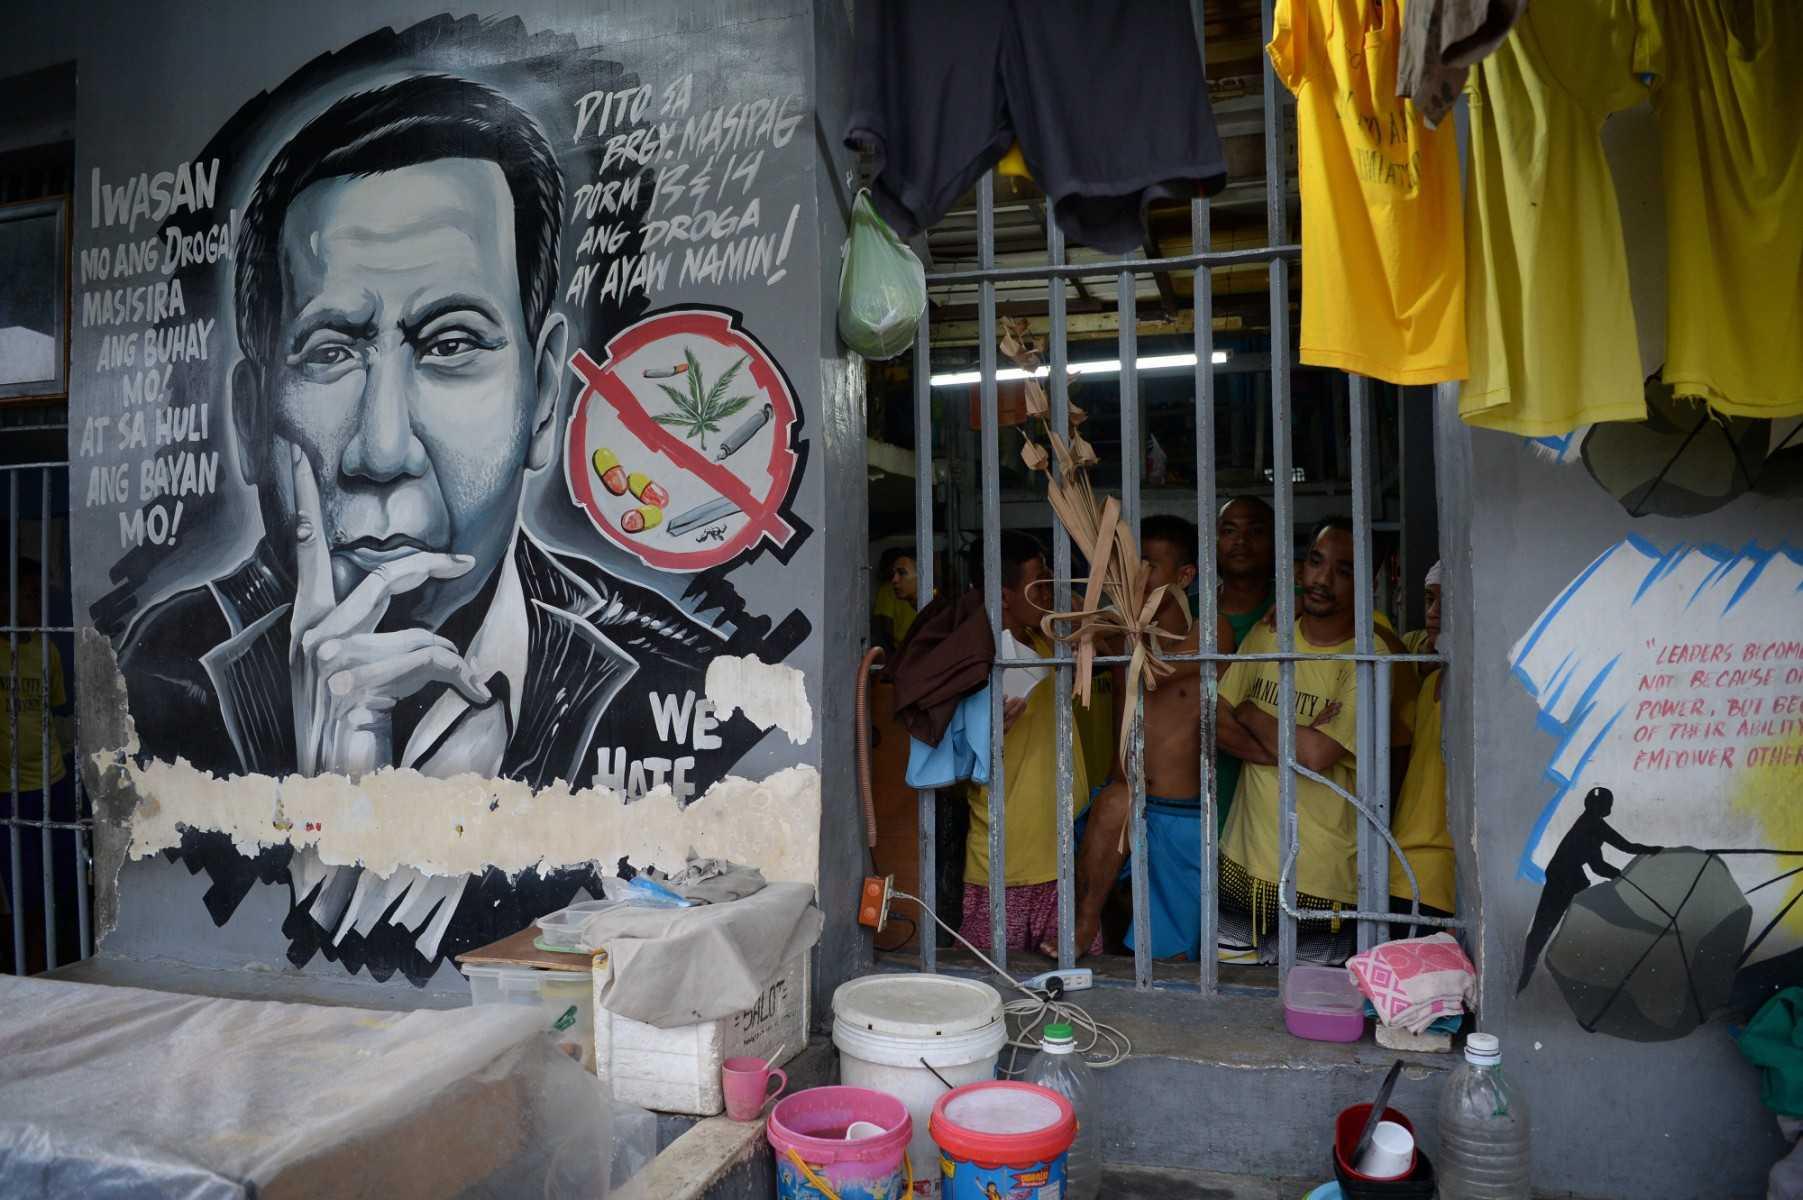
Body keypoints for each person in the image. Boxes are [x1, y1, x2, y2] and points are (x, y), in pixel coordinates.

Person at [118, 75, 746, 790]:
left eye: (452, 344)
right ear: (251, 418)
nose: (383, 451)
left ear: (543, 398)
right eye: (330, 352)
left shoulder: (683, 683)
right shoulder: (168, 677)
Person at [1062, 515, 1235, 960]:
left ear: (1185, 575)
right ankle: (1084, 926)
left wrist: (1109, 631)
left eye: (1150, 566)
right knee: (1114, 801)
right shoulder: (1118, 634)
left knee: (1171, 958)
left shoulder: (1211, 630)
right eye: (1131, 567)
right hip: (1123, 804)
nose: (1136, 577)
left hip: (1181, 813)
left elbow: (1155, 670)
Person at [1216, 518, 1380, 944]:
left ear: (1368, 582)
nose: (1322, 579)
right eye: (1315, 561)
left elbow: (1316, 755)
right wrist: (1289, 744)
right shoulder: (1269, 633)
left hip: (1322, 880)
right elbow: (1214, 720)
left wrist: (1252, 713)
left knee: (1311, 987)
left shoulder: (1368, 656)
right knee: (1226, 983)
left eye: (1344, 571)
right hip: (1241, 863)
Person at [959, 531, 1092, 954]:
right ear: (1004, 596)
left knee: (1072, 980)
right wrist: (985, 735)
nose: (1050, 592)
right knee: (988, 977)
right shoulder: (977, 661)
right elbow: (948, 760)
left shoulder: (1043, 641)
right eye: (1040, 583)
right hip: (1005, 864)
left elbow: (1103, 631)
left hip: (1061, 854)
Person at [1517, 785, 1660, 992]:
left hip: (1569, 878)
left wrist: (1618, 874)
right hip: (1563, 880)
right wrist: (1651, 850)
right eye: (1606, 804)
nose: (1607, 808)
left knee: (1546, 927)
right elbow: (1624, 847)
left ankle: (1527, 974)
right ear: (1602, 806)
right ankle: (1525, 976)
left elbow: (1597, 865)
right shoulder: (1594, 825)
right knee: (1543, 928)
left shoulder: (1589, 825)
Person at [1388, 563, 1452, 938]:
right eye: (1430, 599)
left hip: (1441, 874)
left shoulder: (1480, 681)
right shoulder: (1423, 665)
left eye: (1449, 601)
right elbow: (1379, 642)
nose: (1434, 612)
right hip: (1409, 868)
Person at [1214, 496, 1277, 836]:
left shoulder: (1304, 605)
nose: (1241, 541)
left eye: (1255, 530)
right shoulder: (1185, 613)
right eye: (1229, 530)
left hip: (1281, 796)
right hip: (1202, 790)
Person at [870, 546, 921, 653]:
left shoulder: (887, 590)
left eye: (901, 572)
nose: (895, 579)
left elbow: (886, 628)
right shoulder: (918, 586)